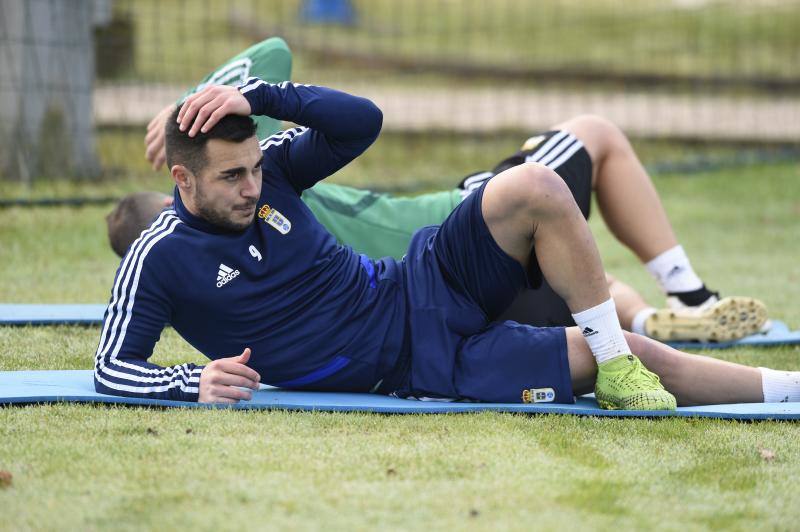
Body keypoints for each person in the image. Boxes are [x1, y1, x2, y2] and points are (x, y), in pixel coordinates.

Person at [94, 78, 800, 411]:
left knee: (535, 183)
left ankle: (618, 358)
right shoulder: (158, 255)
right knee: (629, 349)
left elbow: (360, 123)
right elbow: (111, 368)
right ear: (181, 179)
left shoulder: (271, 168)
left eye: (254, 170)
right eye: (231, 177)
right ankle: (778, 388)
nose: (252, 187)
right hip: (420, 364)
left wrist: (266, 95)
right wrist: (190, 381)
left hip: (422, 276)